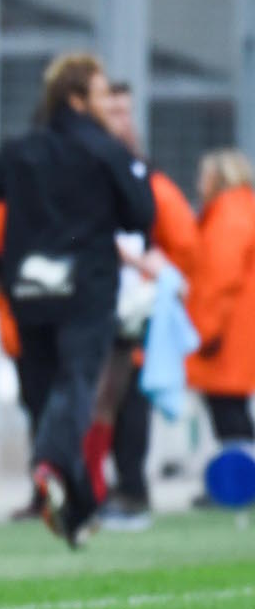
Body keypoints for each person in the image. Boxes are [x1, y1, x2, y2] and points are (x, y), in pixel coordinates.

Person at [0, 53, 155, 546]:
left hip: (29, 289)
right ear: (76, 97)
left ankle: (79, 509)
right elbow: (141, 214)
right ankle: (47, 465)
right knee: (75, 388)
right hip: (87, 287)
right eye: (100, 91)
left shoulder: (21, 148)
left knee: (47, 397)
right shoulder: (103, 149)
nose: (108, 100)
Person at [87, 82, 198, 529]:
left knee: (124, 397)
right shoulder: (91, 166)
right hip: (98, 298)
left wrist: (158, 274)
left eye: (125, 112)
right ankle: (101, 487)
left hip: (130, 304)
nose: (120, 121)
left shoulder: (145, 177)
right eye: (111, 111)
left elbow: (182, 240)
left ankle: (129, 488)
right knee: (98, 399)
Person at [184, 149, 255, 448]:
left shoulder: (227, 217)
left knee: (228, 413)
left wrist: (204, 331)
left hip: (227, 336)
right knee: (233, 410)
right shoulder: (242, 210)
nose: (199, 185)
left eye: (204, 177)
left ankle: (239, 480)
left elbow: (218, 280)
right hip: (238, 329)